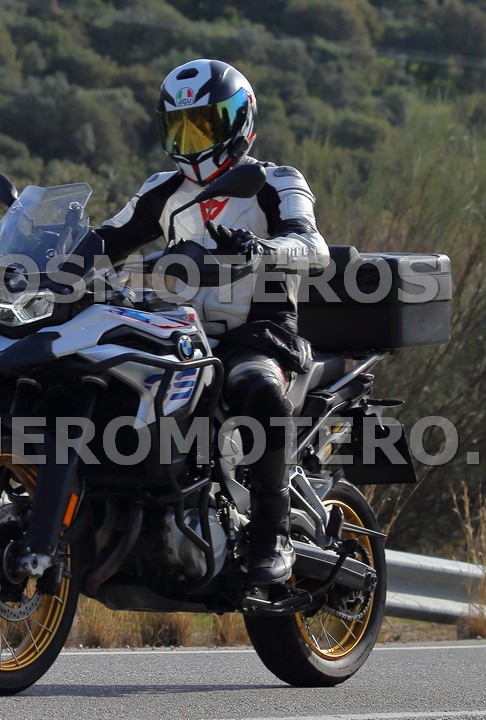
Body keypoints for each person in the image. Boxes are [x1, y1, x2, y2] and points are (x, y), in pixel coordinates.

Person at [95, 58, 329, 585]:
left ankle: (272, 534)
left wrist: (261, 248)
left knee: (258, 391)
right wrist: (37, 264)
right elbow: (104, 240)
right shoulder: (162, 190)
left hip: (257, 334)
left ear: (239, 121)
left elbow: (312, 246)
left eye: (202, 125)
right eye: (179, 127)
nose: (191, 140)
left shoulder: (276, 181)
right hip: (177, 334)